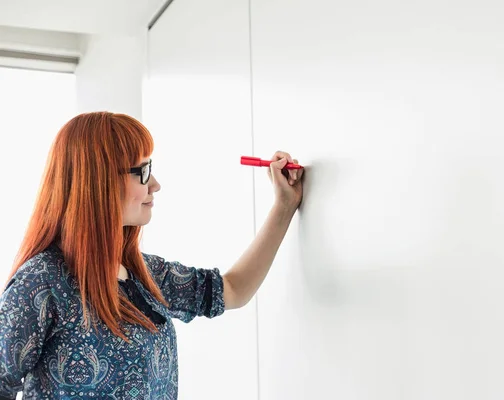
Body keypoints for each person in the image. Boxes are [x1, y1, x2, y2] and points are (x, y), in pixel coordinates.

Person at [0, 111, 304, 400]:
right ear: (99, 181)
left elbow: (234, 290)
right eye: (143, 172)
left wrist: (284, 206)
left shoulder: (144, 274)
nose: (155, 185)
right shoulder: (40, 283)